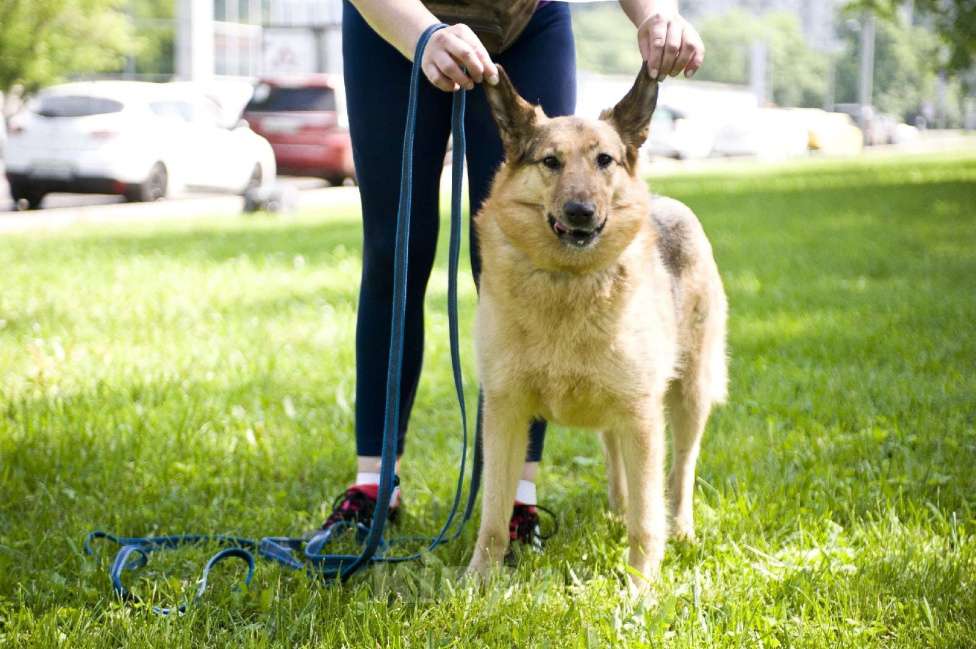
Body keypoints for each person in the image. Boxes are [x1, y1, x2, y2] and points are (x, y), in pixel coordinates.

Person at [321, 0, 705, 550]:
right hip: (396, 22)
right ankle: (374, 485)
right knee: (395, 244)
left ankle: (516, 500)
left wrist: (654, 16)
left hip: (528, 21)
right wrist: (424, 34)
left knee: (538, 240)